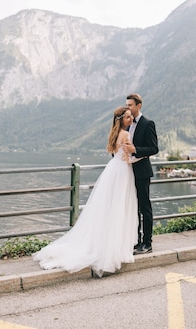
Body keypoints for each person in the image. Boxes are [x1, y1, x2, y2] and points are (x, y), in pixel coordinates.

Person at [33, 106, 138, 277]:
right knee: (120, 206)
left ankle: (109, 242)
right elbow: (127, 158)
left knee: (111, 207)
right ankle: (117, 246)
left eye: (130, 116)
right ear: (121, 120)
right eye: (127, 117)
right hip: (122, 172)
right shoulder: (126, 135)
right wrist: (136, 156)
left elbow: (115, 153)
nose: (131, 119)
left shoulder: (114, 134)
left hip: (112, 170)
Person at [122, 93, 159, 255]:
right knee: (132, 208)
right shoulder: (127, 124)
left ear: (139, 106)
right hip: (128, 172)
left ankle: (147, 243)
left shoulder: (148, 123)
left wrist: (135, 150)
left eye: (130, 105)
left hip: (142, 173)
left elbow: (153, 148)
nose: (127, 107)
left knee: (145, 208)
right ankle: (135, 240)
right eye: (127, 105)